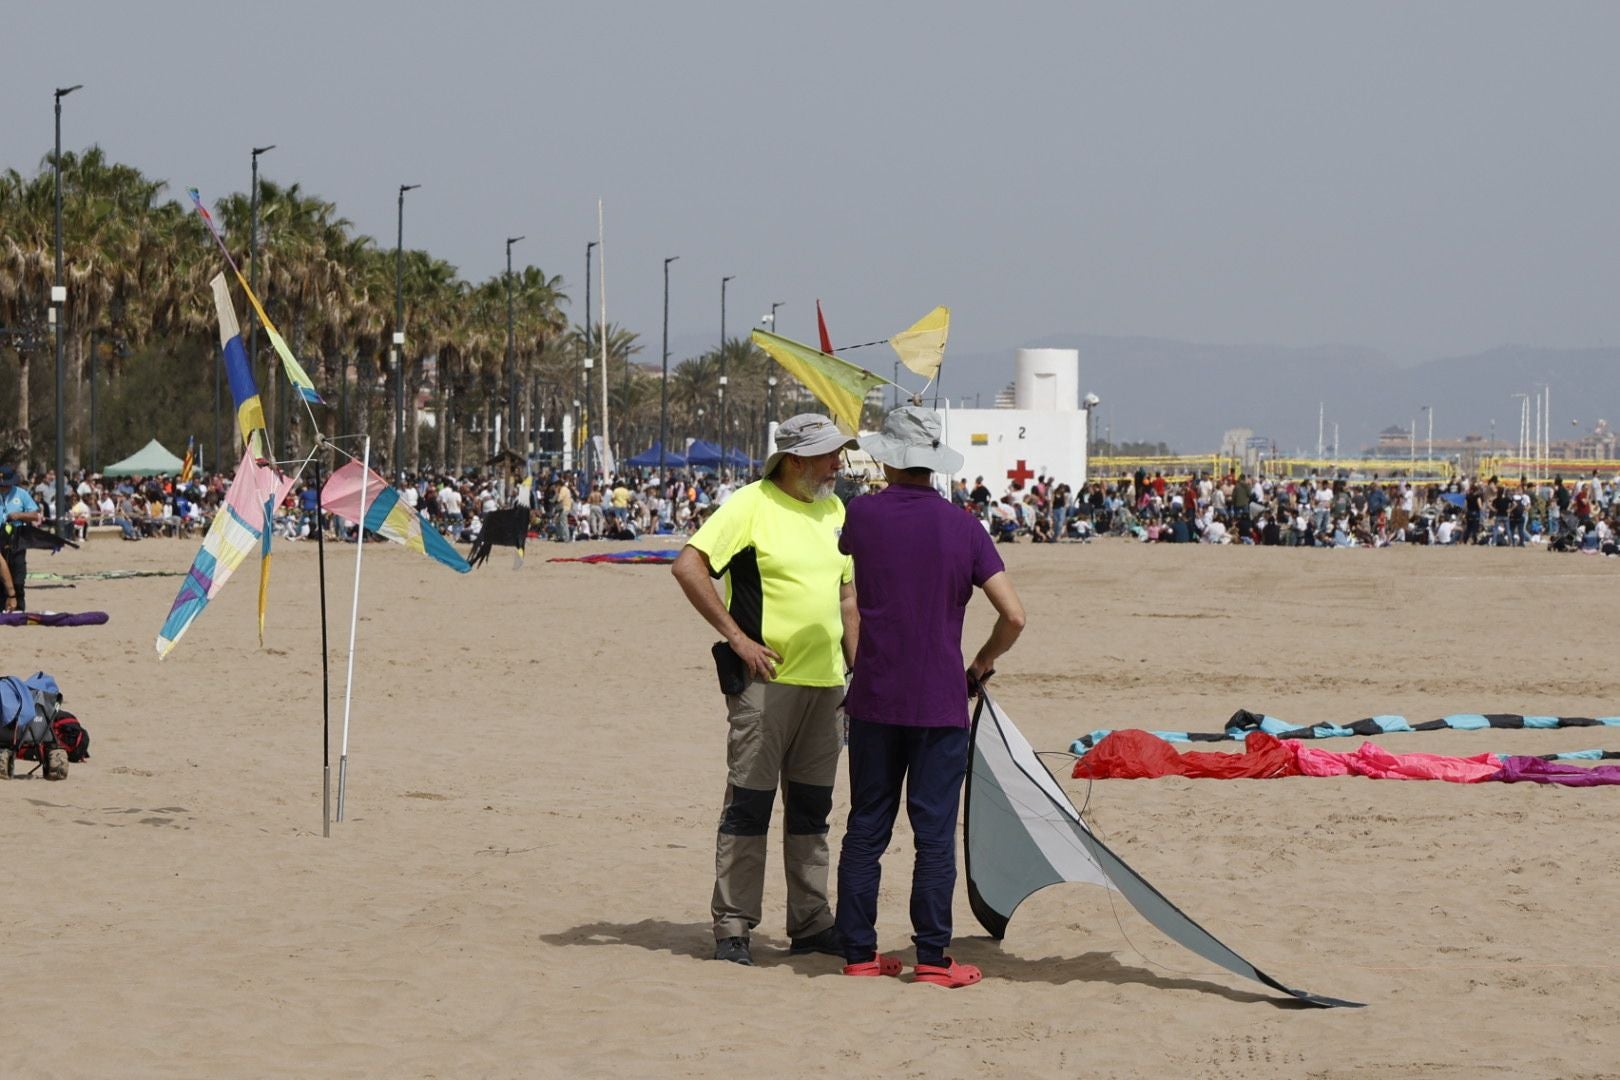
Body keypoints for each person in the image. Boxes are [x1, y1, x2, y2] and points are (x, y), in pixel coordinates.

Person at [833, 406, 1025, 988]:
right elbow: (1014, 616)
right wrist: (982, 664)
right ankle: (934, 959)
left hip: (873, 695)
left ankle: (860, 953)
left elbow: (851, 581)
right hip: (941, 699)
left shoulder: (861, 515)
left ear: (890, 458)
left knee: (867, 826)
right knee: (933, 835)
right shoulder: (964, 526)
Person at [670, 413, 859, 968]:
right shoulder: (750, 504)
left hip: (827, 686)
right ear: (795, 461)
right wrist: (737, 639)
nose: (838, 464)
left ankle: (810, 921)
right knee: (748, 807)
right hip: (764, 684)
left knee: (812, 811)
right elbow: (688, 567)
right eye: (829, 456)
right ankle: (732, 926)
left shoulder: (836, 510)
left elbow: (847, 599)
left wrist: (860, 672)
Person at [1, 465, 44, 611]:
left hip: (17, 538)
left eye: (6, 485)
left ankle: (19, 608)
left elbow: (35, 515)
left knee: (18, 578)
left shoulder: (22, 494)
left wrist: (19, 515)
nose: (3, 487)